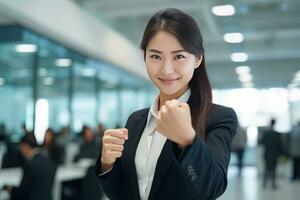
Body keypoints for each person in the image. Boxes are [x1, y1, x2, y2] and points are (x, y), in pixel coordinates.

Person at [96, 8, 237, 200]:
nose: (166, 69)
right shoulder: (136, 120)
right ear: (145, 57)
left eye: (178, 56)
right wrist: (107, 164)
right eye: (155, 56)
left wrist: (188, 141)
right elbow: (121, 193)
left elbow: (213, 187)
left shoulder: (218, 117)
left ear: (197, 59)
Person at [3, 133, 56, 200]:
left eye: (21, 148)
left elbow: (22, 193)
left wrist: (10, 189)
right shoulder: (50, 163)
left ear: (25, 146)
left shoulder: (30, 165)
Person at [260, 119, 282, 189]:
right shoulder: (277, 134)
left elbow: (262, 142)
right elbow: (280, 145)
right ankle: (273, 183)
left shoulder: (266, 133)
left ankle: (264, 183)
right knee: (274, 169)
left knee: (266, 168)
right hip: (275, 154)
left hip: (267, 153)